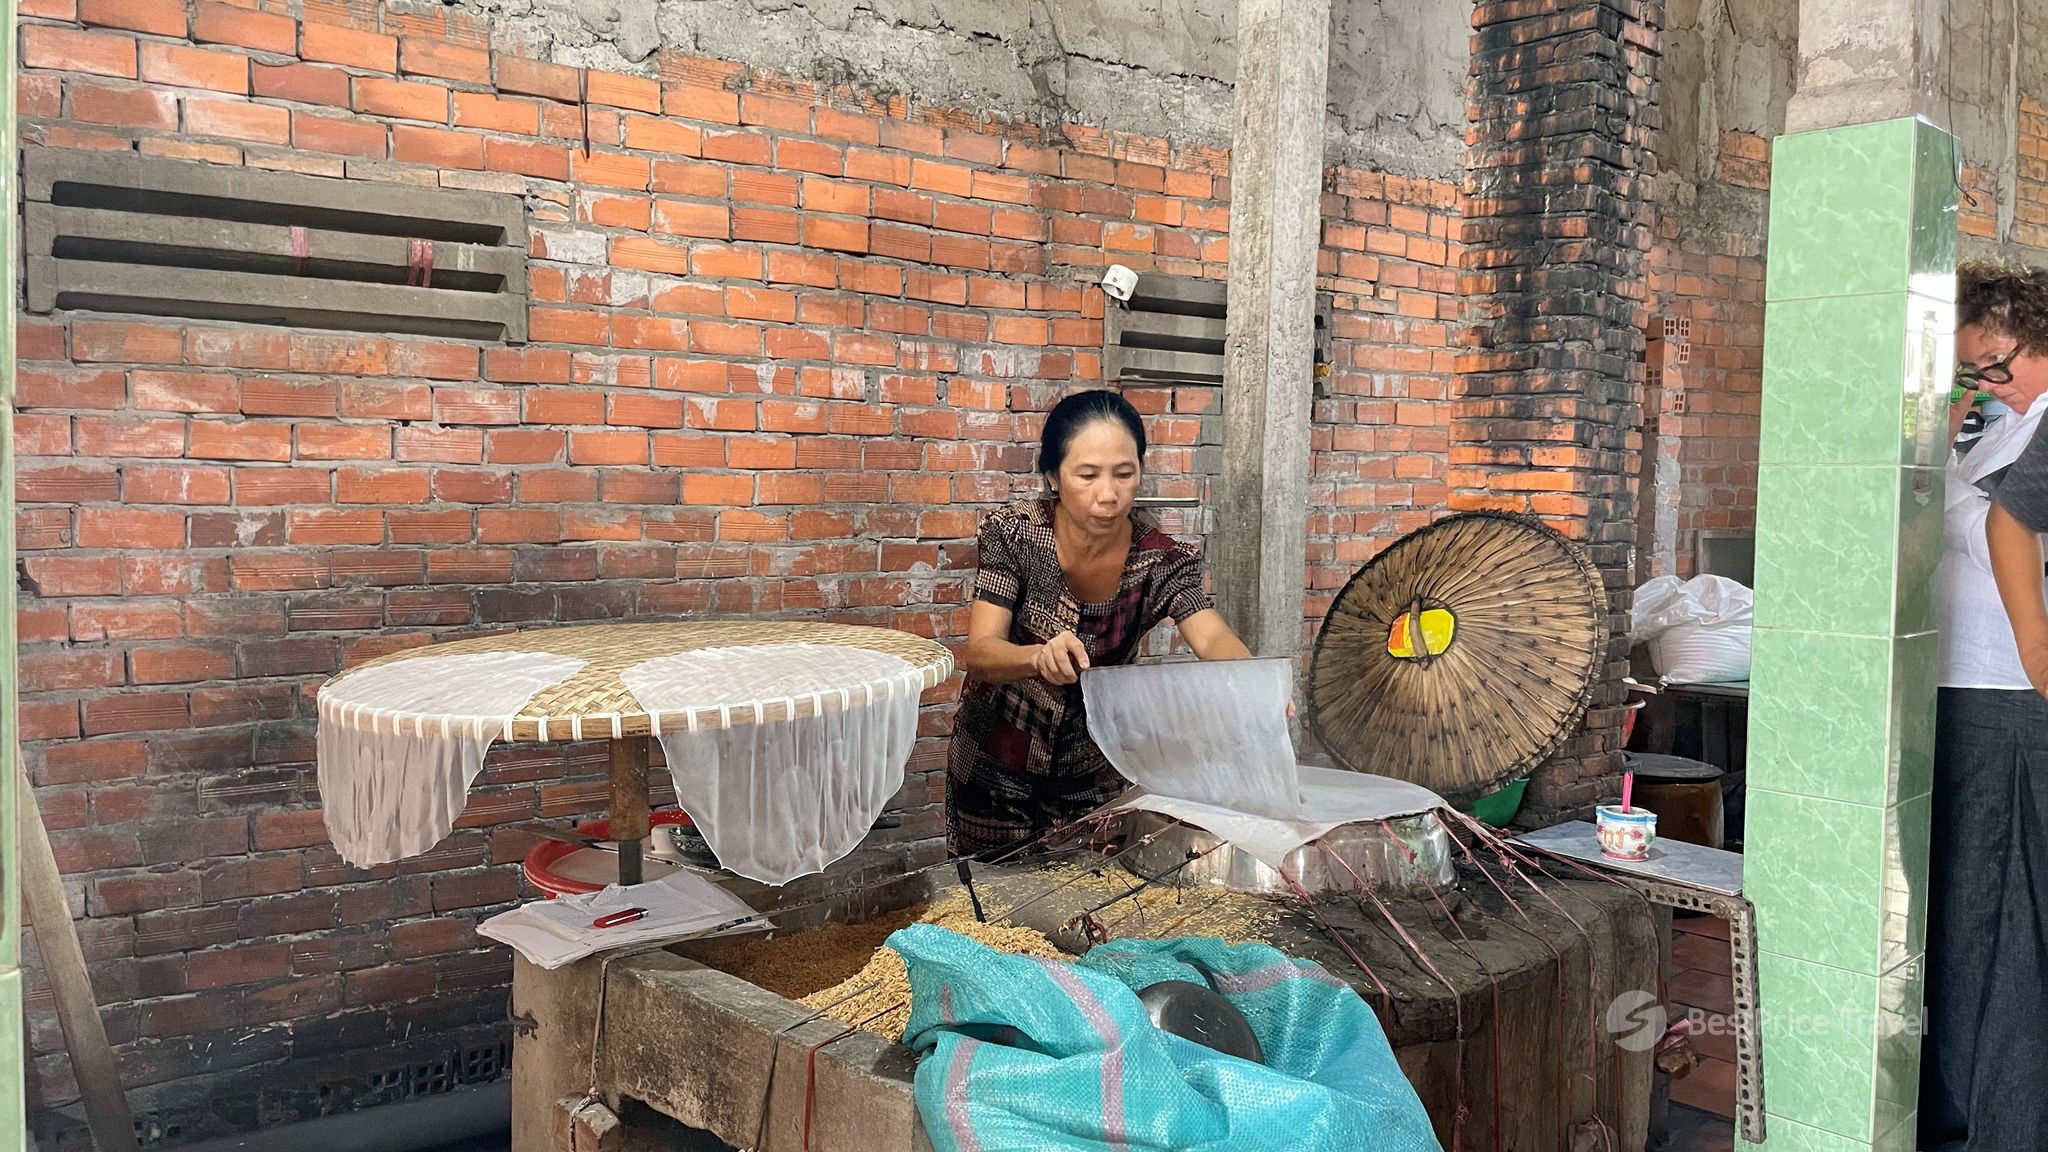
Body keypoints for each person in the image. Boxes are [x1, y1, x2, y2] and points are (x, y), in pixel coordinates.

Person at [947, 389, 1261, 859]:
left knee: (1085, 910)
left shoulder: (1161, 560)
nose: (1108, 495)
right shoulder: (1013, 534)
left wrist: (1257, 686)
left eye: (1124, 474)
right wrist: (1037, 656)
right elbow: (982, 651)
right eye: (1087, 475)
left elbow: (1211, 633)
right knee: (988, 912)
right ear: (1054, 475)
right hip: (995, 764)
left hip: (1094, 773)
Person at [1920, 260, 2048, 1152]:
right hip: (1964, 696)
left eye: (1998, 364)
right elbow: (1933, 499)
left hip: (2009, 703)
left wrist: (2039, 661)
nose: (1988, 383)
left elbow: (2010, 531)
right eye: (1974, 370)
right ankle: (1960, 1109)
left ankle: (1997, 1126)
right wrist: (1953, 414)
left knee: (1997, 935)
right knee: (1962, 925)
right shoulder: (2009, 429)